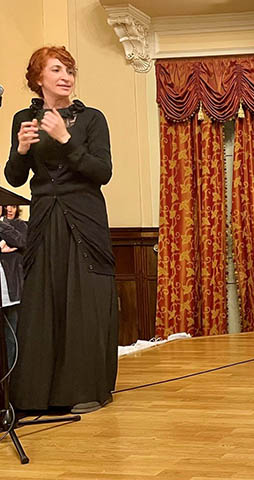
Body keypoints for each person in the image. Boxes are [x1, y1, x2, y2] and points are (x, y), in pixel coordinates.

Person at [6, 46, 119, 414]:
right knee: (44, 300)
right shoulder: (24, 117)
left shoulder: (91, 119)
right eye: (56, 69)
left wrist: (67, 141)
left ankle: (86, 389)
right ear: (39, 78)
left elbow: (101, 172)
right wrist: (21, 149)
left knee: (83, 301)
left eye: (69, 70)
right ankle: (38, 394)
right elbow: (14, 177)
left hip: (83, 218)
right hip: (43, 217)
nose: (66, 76)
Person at [0, 205, 28, 370]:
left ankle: (12, 377)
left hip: (10, 291)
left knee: (12, 337)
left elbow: (20, 241)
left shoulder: (17, 225)